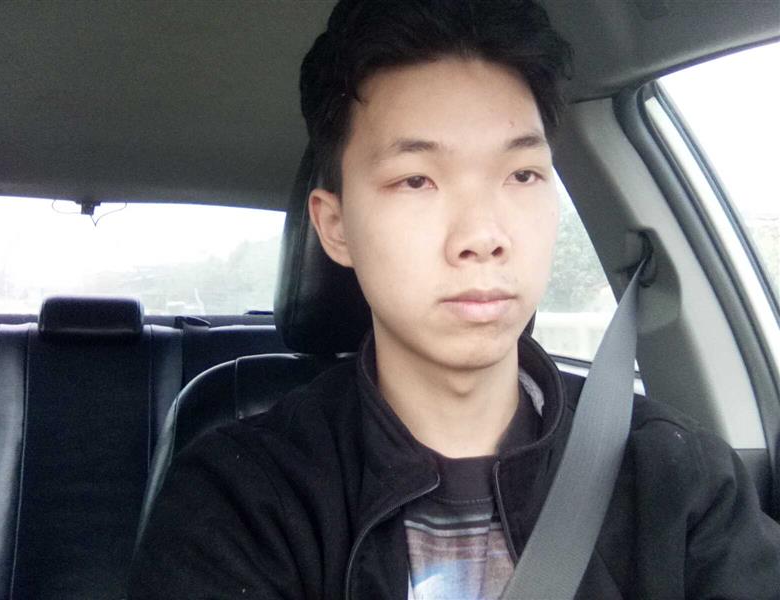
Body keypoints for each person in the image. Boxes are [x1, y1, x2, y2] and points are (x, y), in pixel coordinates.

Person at [128, 1, 780, 598]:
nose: (483, 236)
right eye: (417, 180)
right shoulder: (241, 502)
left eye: (522, 174)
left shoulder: (678, 482)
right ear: (336, 227)